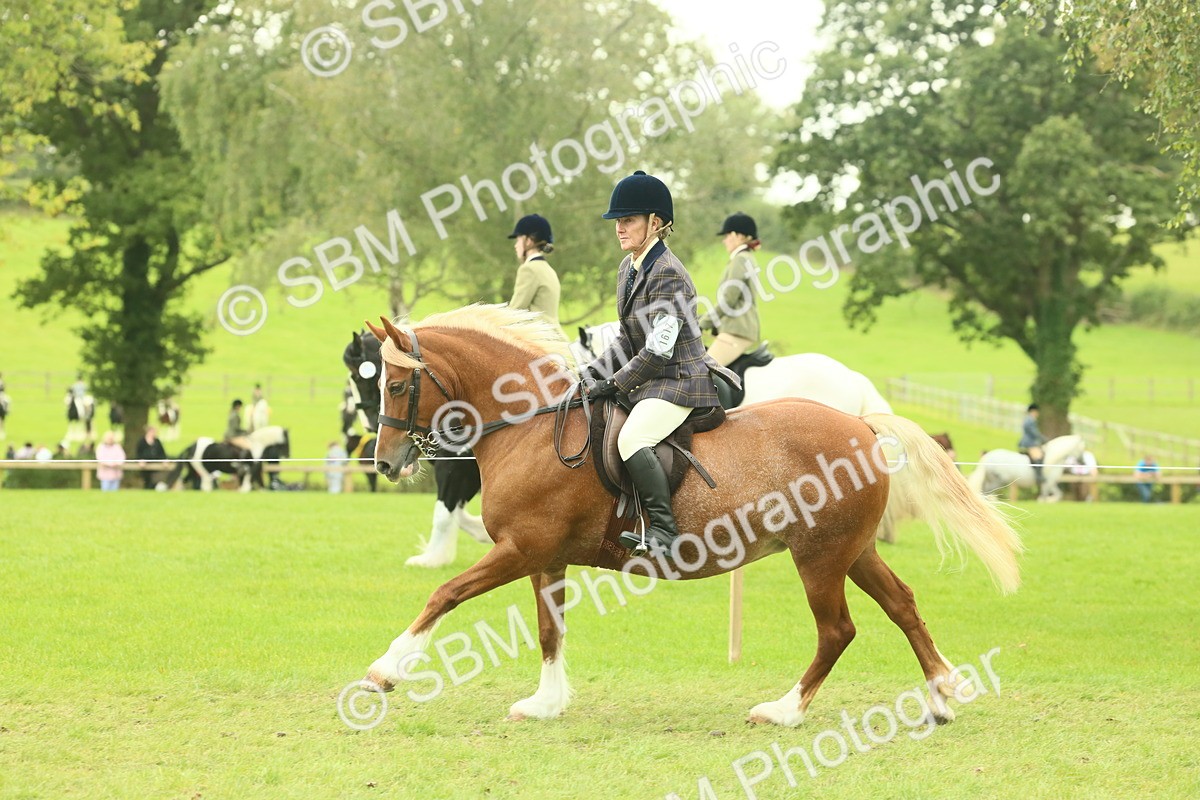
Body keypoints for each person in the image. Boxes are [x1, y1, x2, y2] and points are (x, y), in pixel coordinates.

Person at [582, 170, 739, 555]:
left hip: (679, 381)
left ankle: (665, 531)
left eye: (628, 220)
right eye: (617, 221)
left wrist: (614, 384)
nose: (619, 228)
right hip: (653, 380)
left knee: (632, 438)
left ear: (655, 223)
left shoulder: (668, 273)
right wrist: (588, 374)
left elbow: (657, 350)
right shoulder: (629, 267)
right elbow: (627, 338)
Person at [706, 212, 763, 366]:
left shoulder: (740, 259)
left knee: (702, 372)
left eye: (727, 236)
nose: (724, 241)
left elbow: (729, 299)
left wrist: (704, 322)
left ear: (739, 236)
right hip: (736, 328)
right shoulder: (746, 258)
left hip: (737, 330)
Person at [507, 213, 567, 343]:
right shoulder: (549, 270)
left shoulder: (528, 269)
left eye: (518, 240)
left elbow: (514, 312)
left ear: (529, 241)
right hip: (557, 339)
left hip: (540, 342)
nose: (515, 245)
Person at [1018, 403, 1046, 491]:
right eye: (1036, 412)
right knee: (1038, 456)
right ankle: (1038, 477)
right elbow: (1034, 433)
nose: (1037, 414)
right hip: (1029, 443)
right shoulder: (1030, 420)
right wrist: (1043, 438)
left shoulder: (1029, 419)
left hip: (1030, 442)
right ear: (1033, 411)